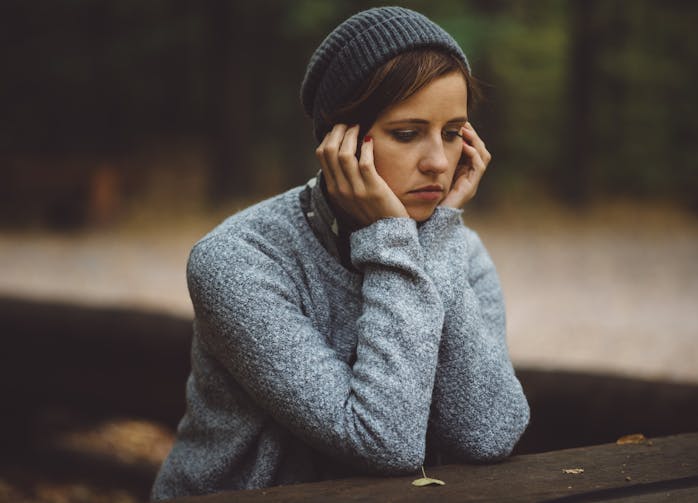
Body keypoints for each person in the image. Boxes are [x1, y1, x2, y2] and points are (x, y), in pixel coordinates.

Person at [151, 6, 529, 500]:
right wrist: (395, 237)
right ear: (340, 143)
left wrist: (433, 241)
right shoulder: (237, 260)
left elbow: (491, 433)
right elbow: (382, 441)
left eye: (454, 133)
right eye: (407, 133)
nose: (439, 161)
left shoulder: (458, 251)